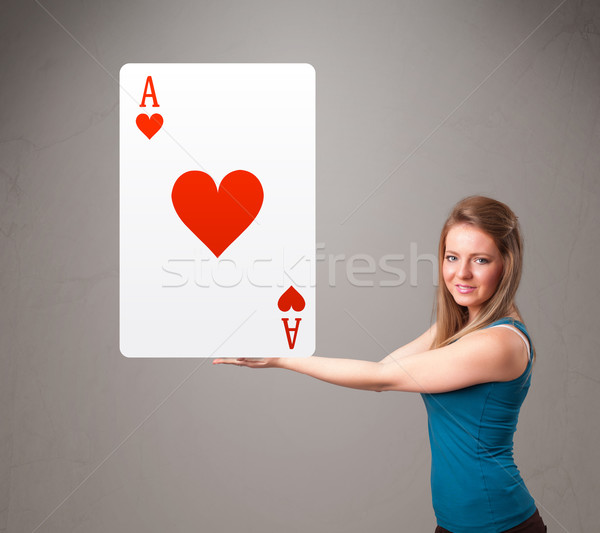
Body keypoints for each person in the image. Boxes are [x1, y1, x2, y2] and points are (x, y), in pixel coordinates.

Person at [213, 196, 547, 533]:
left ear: (507, 264)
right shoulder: (462, 327)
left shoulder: (498, 342)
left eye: (480, 260)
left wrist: (282, 358)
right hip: (454, 524)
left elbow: (382, 377)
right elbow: (383, 368)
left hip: (499, 525)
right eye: (452, 257)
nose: (462, 273)